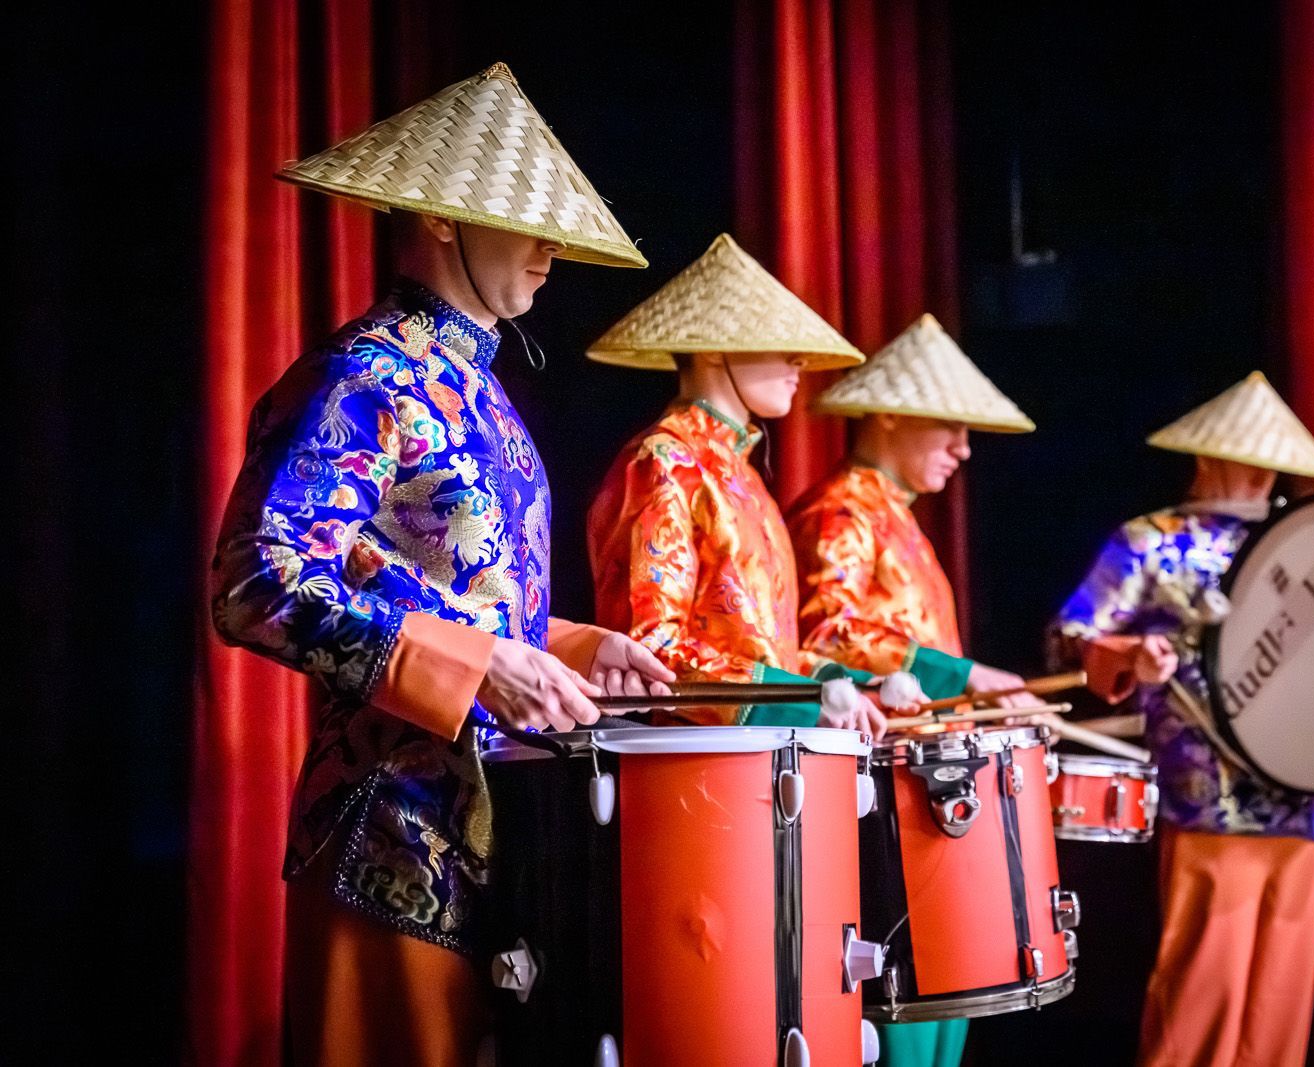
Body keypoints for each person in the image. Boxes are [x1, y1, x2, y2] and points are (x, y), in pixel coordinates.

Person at [211, 63, 673, 1066]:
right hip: (390, 839)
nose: (551, 251)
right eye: (527, 223)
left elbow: (452, 598)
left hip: (508, 837)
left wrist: (572, 648)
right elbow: (254, 580)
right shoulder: (361, 376)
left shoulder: (485, 395)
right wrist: (476, 668)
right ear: (440, 218)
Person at [1047, 370, 1314, 1067]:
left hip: (1298, 786)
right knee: (1205, 988)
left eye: (1273, 463)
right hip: (1205, 790)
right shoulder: (1151, 539)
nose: (1263, 476)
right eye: (1249, 459)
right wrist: (1130, 652)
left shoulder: (1298, 544)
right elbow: (1071, 635)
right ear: (1209, 457)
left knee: (1281, 997)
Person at [788, 312, 1045, 1065]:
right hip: (883, 794)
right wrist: (965, 676)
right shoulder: (841, 511)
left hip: (927, 790)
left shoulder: (895, 517)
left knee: (948, 1000)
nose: (964, 448)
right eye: (949, 427)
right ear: (890, 414)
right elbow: (827, 634)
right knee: (905, 1005)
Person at [586, 232, 896, 734]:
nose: (799, 361)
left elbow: (767, 651)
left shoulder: (744, 474)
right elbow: (649, 649)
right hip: (700, 759)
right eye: (778, 341)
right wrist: (802, 704)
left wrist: (840, 684)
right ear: (712, 350)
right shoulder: (663, 460)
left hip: (771, 751)